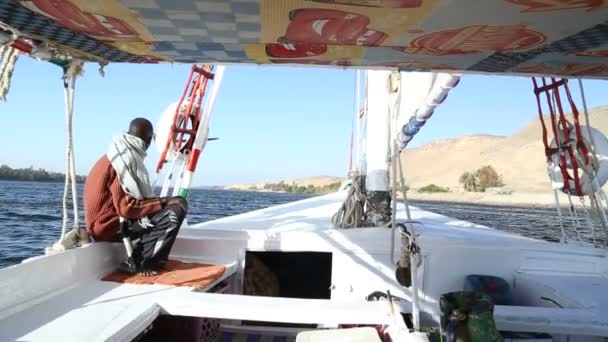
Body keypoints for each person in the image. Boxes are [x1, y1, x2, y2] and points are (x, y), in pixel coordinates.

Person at [84, 118, 187, 275]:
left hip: (108, 223)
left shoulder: (118, 152)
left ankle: (155, 259)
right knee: (175, 211)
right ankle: (137, 261)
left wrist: (162, 203)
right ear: (147, 141)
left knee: (173, 206)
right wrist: (164, 201)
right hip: (107, 227)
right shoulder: (122, 161)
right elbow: (127, 208)